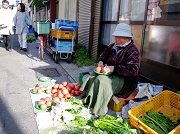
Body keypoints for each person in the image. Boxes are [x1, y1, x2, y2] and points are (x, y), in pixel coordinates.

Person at [80, 23, 140, 116]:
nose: (117, 40)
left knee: (102, 80)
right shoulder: (112, 46)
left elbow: (133, 70)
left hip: (125, 80)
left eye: (121, 37)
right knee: (94, 75)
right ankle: (88, 100)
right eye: (116, 37)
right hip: (110, 73)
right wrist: (101, 62)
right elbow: (103, 55)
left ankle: (98, 108)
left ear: (128, 38)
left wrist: (114, 69)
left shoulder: (133, 51)